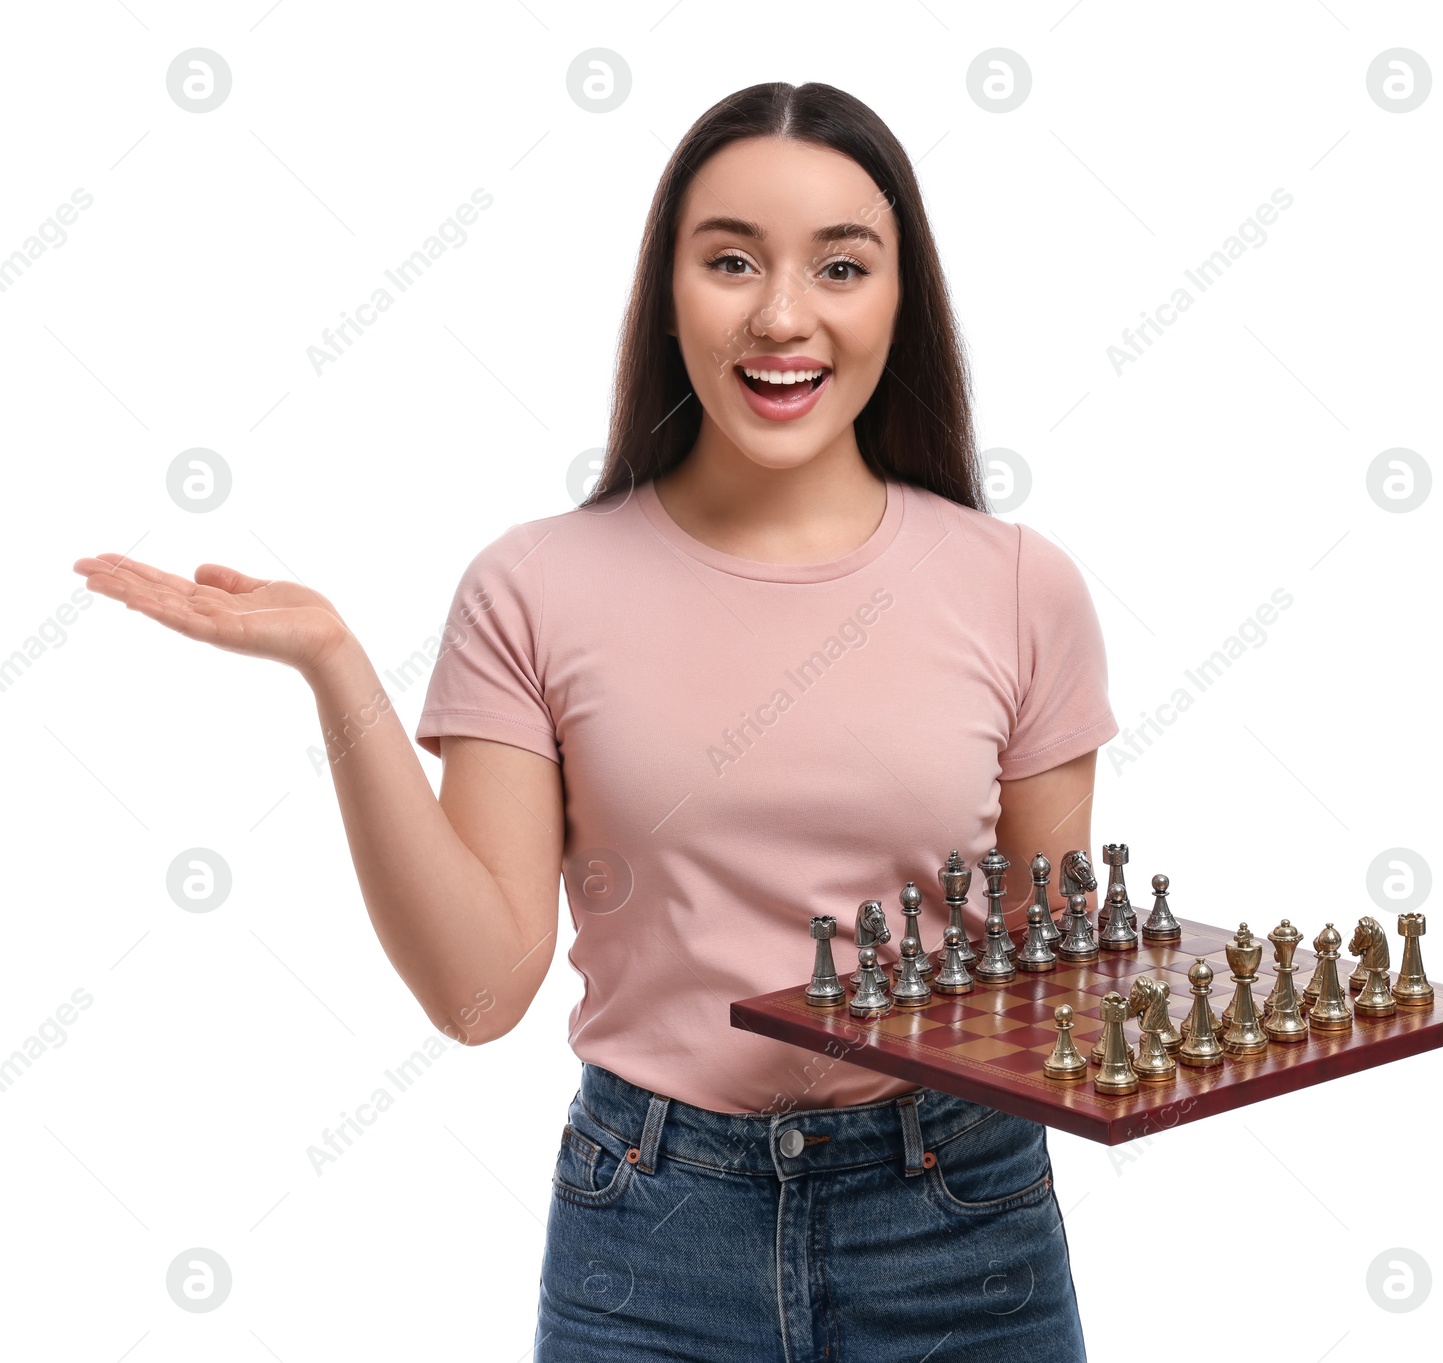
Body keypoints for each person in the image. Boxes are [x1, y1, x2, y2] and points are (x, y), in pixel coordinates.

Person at [73, 81, 1118, 1362]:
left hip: (958, 1222)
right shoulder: (535, 589)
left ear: (899, 302)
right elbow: (476, 992)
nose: (782, 315)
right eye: (731, 259)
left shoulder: (1020, 587)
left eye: (841, 266)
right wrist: (337, 669)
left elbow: (1053, 980)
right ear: (666, 290)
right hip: (653, 1228)